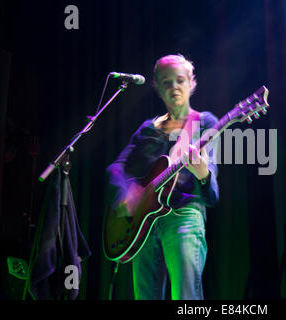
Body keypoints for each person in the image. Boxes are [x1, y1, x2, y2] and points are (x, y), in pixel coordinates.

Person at [106, 54, 219, 300]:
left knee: (186, 295)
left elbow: (212, 194)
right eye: (166, 82)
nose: (174, 87)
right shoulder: (148, 128)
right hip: (143, 222)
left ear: (192, 83)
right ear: (157, 86)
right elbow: (116, 168)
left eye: (180, 80)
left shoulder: (204, 122)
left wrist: (203, 173)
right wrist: (126, 193)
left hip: (184, 215)